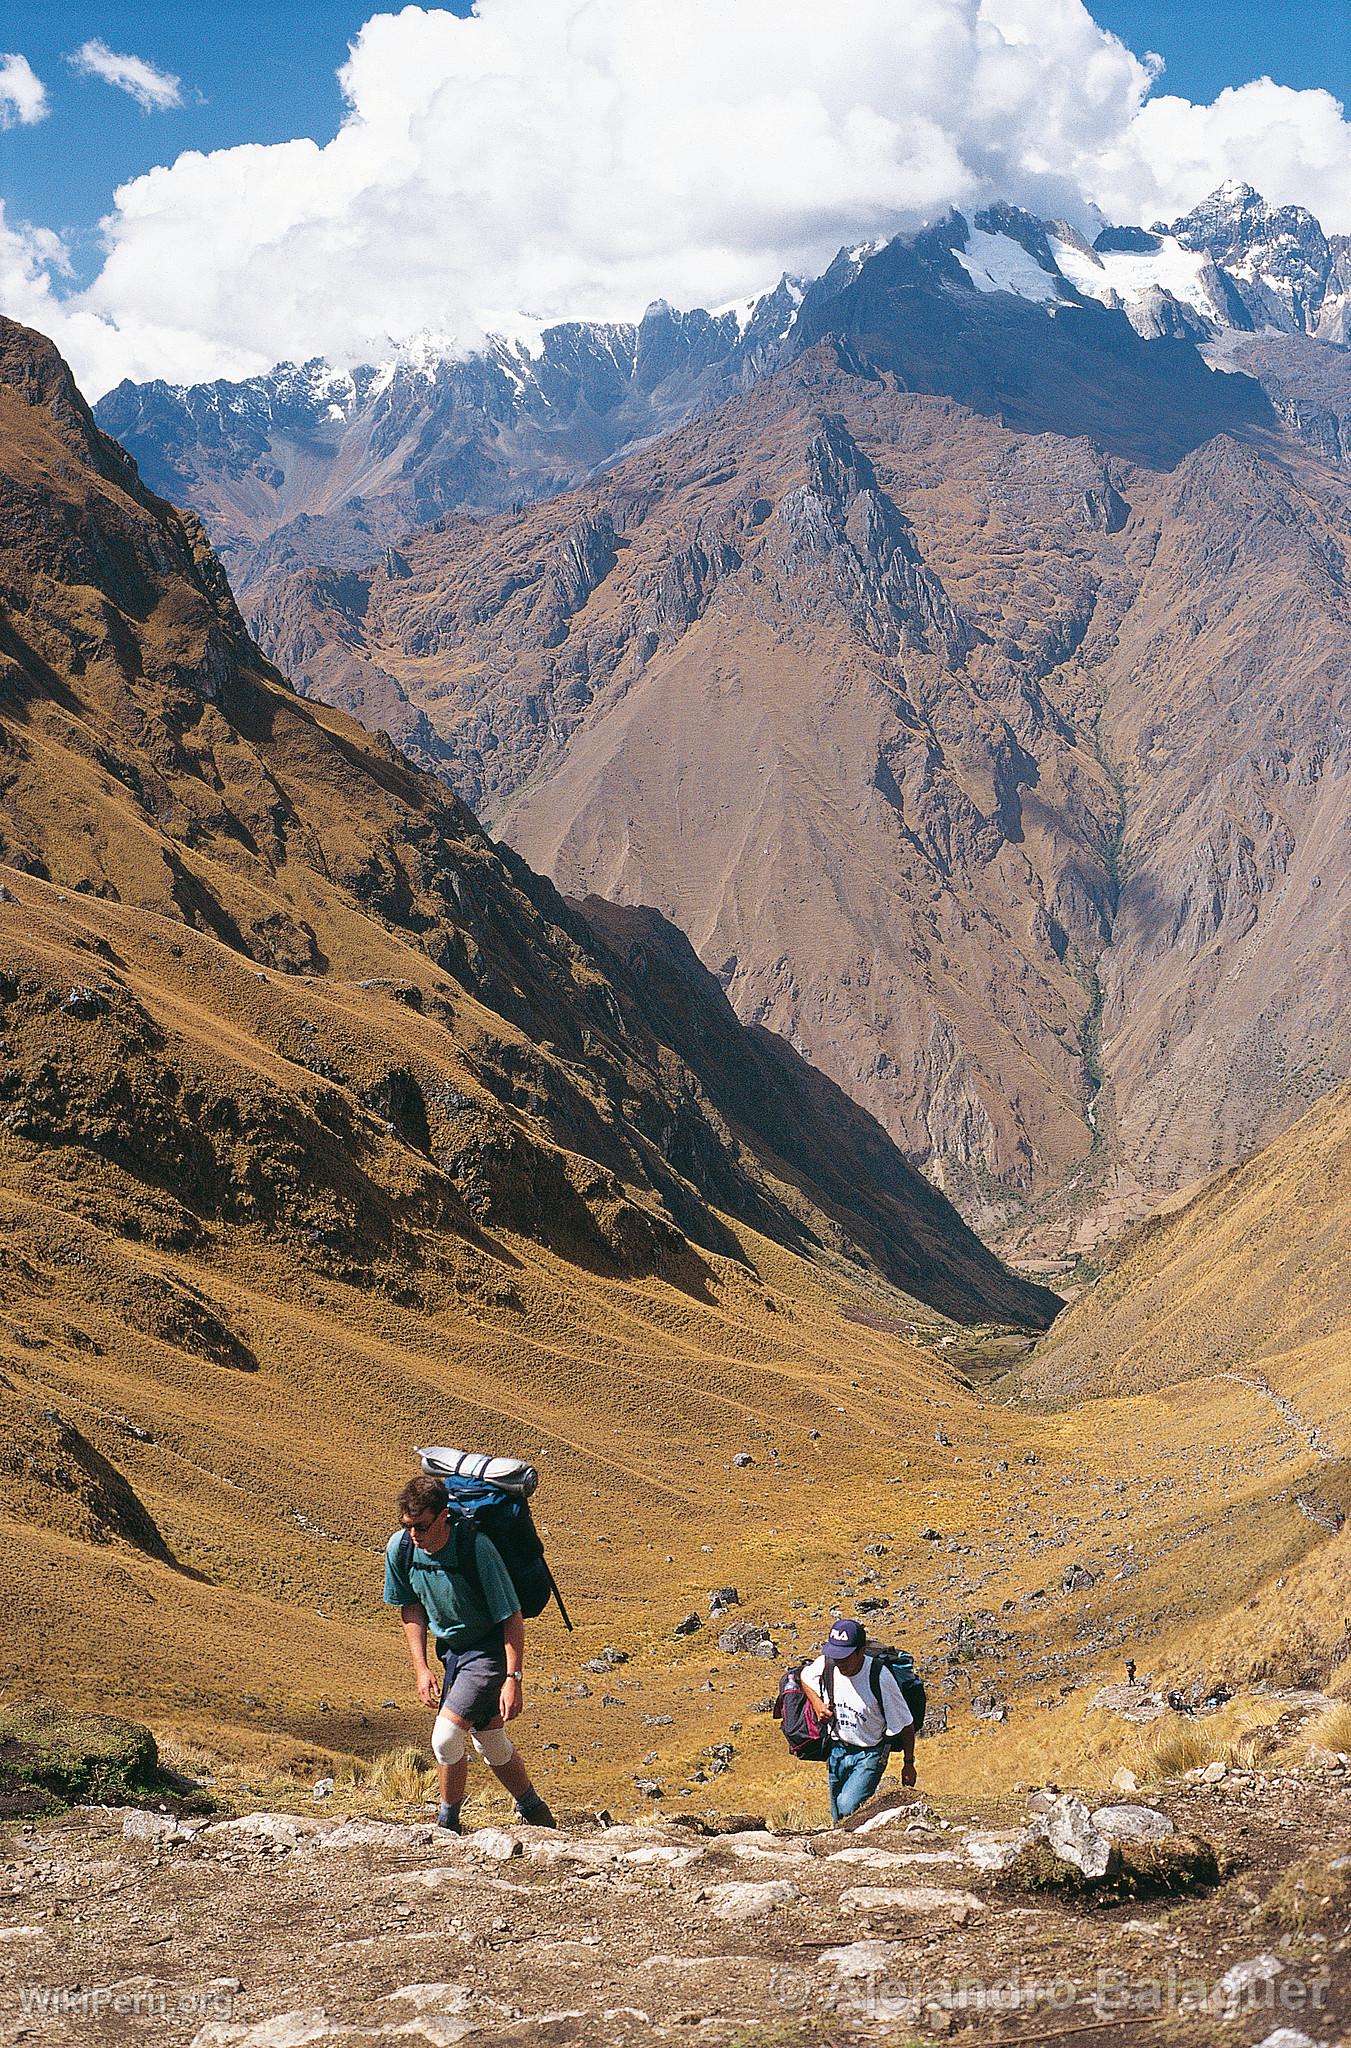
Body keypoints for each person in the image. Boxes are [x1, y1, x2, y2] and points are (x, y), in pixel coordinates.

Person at [384, 1473, 555, 1832]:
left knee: (445, 1738)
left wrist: (513, 1679)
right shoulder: (401, 1549)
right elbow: (410, 1608)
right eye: (407, 1526)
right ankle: (536, 1812)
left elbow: (511, 1616)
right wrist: (421, 1667)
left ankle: (447, 1823)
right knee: (491, 1742)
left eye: (422, 1526)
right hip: (452, 1653)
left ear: (443, 1516)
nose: (414, 1535)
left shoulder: (477, 1548)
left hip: (488, 1652)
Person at [801, 1618, 916, 1823]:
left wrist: (908, 1763)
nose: (840, 1663)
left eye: (845, 1657)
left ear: (861, 1651)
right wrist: (817, 1704)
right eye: (836, 1656)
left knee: (847, 1805)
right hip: (837, 1749)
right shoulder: (827, 1663)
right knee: (837, 1814)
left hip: (870, 1753)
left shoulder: (880, 1677)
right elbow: (804, 1678)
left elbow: (906, 1724)